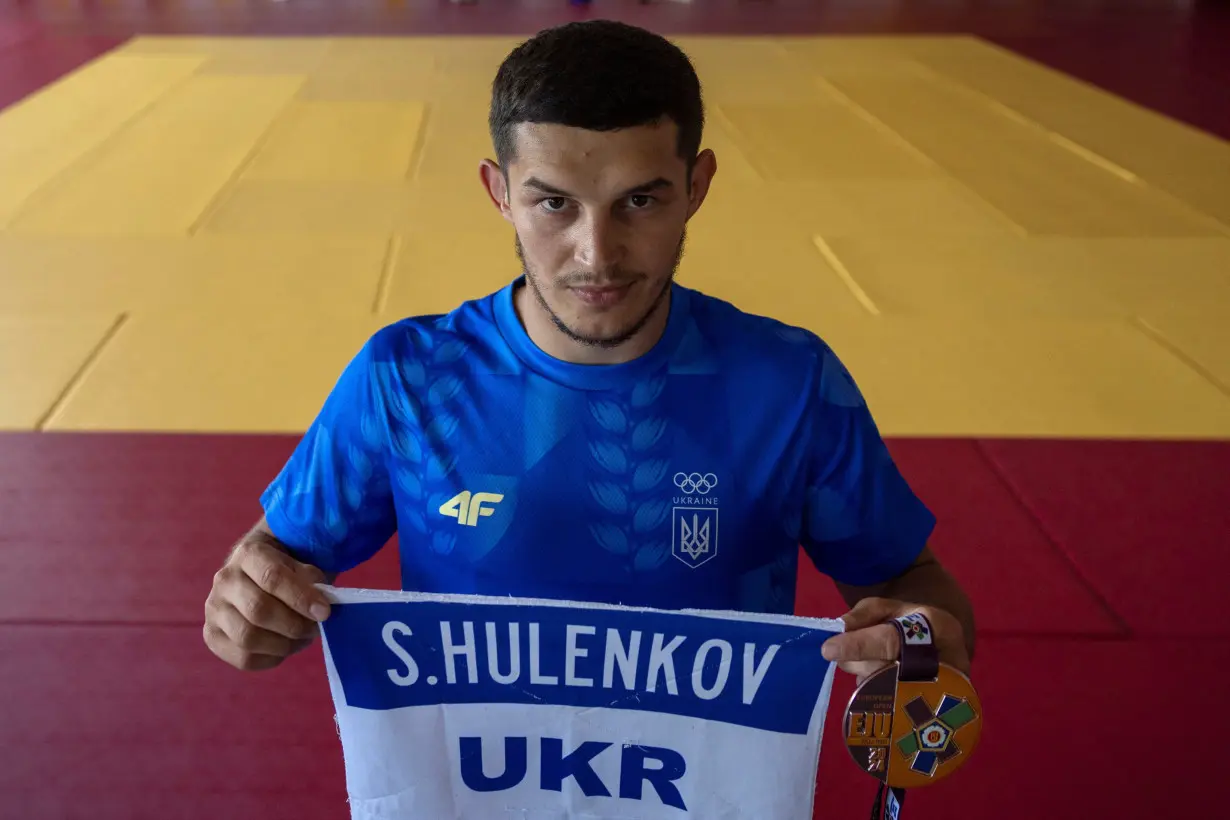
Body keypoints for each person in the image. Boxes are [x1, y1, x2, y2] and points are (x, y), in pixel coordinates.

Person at [203, 20, 974, 685]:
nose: (595, 254)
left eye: (640, 200)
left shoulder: (789, 383)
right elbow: (277, 555)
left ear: (696, 185)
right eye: (553, 203)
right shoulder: (405, 378)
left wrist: (928, 634)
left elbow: (912, 583)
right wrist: (250, 604)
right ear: (498, 191)